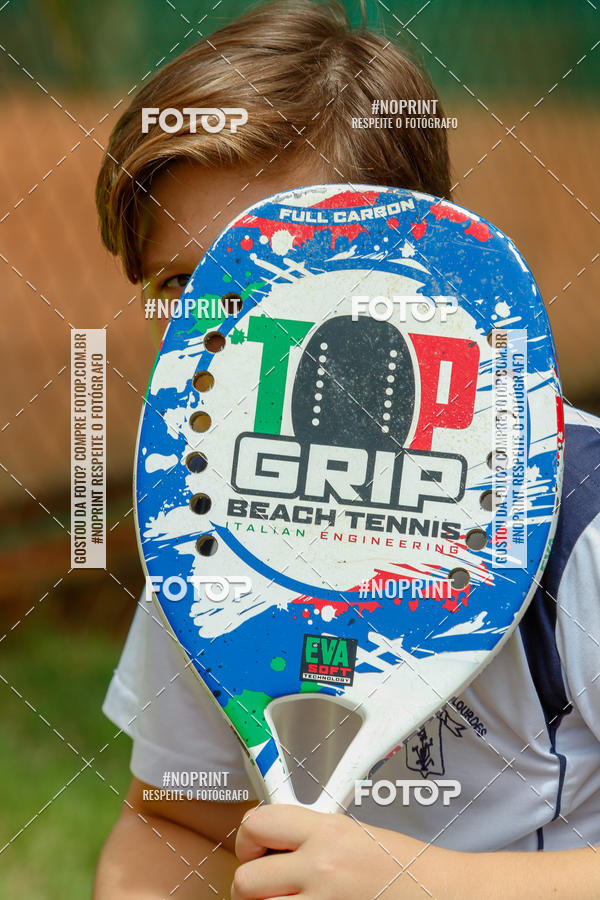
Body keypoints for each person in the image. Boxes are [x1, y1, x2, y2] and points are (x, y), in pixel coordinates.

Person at [93, 1, 600, 897]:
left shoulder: (580, 522)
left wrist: (417, 883)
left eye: (287, 269)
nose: (238, 328)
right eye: (186, 283)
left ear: (420, 262)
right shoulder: (216, 528)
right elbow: (173, 816)